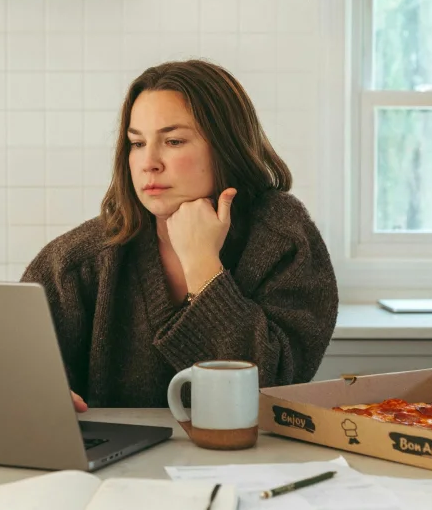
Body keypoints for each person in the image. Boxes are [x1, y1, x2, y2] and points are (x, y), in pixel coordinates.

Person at [22, 59, 338, 410]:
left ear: (226, 146)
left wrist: (203, 268)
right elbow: (12, 369)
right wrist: (33, 397)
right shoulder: (76, 262)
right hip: (110, 463)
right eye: (137, 143)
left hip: (251, 460)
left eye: (173, 141)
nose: (149, 162)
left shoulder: (283, 240)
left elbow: (270, 390)